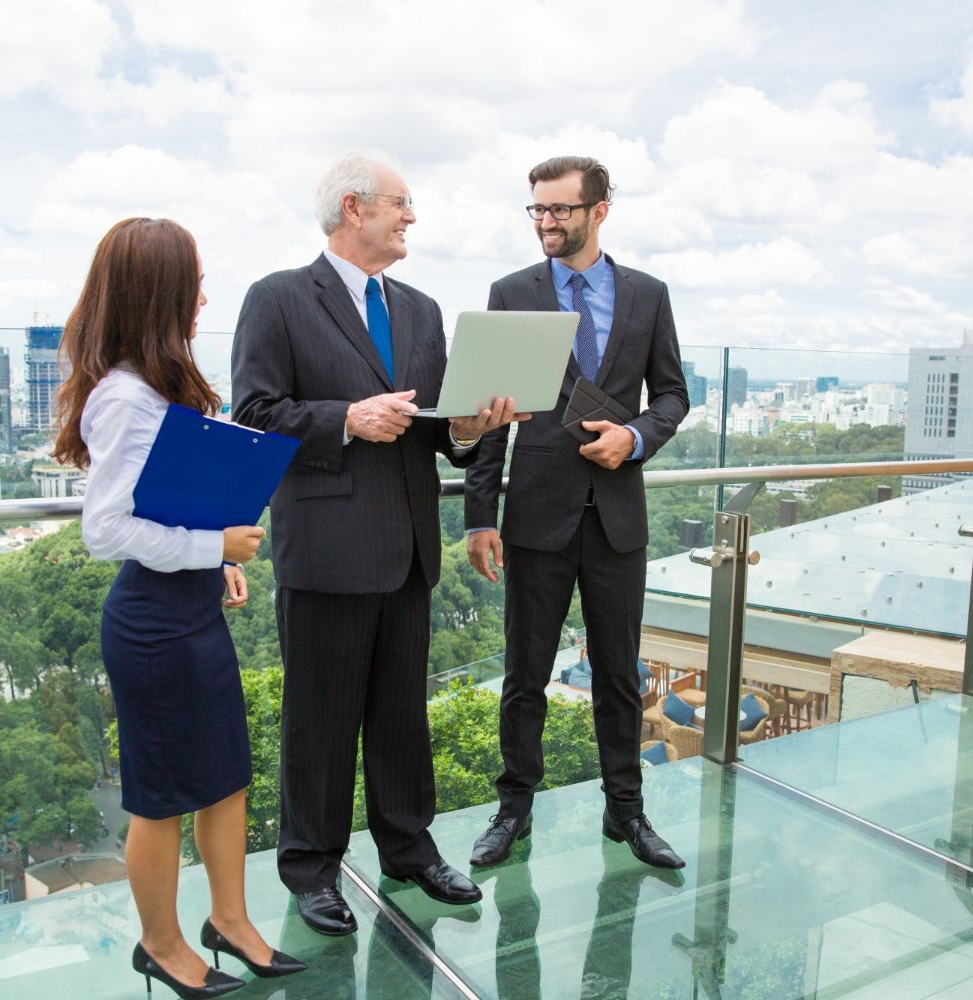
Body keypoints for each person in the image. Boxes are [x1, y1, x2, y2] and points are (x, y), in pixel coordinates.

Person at [232, 153, 520, 935]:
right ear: (353, 208)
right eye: (401, 204)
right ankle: (312, 869)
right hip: (325, 550)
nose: (412, 218)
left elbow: (441, 433)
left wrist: (470, 428)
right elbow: (253, 411)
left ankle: (409, 849)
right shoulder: (279, 299)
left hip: (408, 551)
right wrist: (345, 419)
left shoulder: (423, 311)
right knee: (318, 722)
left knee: (401, 716)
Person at [57, 218, 306, 998]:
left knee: (225, 778)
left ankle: (228, 921)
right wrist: (212, 549)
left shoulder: (154, 384)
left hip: (188, 609)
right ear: (157, 294)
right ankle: (160, 944)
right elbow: (106, 530)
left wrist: (211, 558)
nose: (203, 297)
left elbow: (165, 500)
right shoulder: (125, 398)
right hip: (152, 626)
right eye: (192, 283)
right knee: (161, 799)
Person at [465, 156, 690, 870]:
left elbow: (674, 397)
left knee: (620, 675)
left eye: (559, 210)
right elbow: (489, 410)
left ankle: (626, 813)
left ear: (600, 211)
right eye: (536, 210)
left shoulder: (648, 295)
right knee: (524, 673)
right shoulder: (511, 292)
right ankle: (513, 812)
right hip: (536, 514)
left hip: (617, 514)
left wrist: (637, 438)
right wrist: (479, 514)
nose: (546, 223)